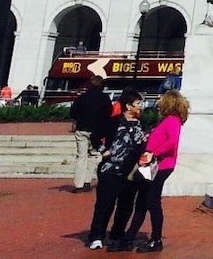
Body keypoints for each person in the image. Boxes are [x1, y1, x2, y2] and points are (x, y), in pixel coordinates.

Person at [125, 90, 189, 253]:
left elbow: (172, 141)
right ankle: (129, 236)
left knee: (152, 201)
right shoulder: (168, 120)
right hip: (153, 164)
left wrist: (154, 153)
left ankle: (156, 239)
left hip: (161, 165)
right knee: (143, 200)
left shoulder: (172, 120)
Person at [86, 95, 146, 250]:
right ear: (128, 106)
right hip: (111, 170)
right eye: (138, 103)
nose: (141, 106)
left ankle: (116, 235)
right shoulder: (114, 122)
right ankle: (96, 236)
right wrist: (103, 150)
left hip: (131, 172)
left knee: (125, 206)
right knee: (105, 204)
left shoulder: (142, 123)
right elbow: (95, 136)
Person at [69, 74, 113, 192]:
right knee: (93, 155)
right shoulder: (104, 98)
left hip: (82, 129)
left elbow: (73, 112)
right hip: (96, 131)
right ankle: (87, 181)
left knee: (81, 156)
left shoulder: (82, 97)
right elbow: (108, 114)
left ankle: (78, 184)